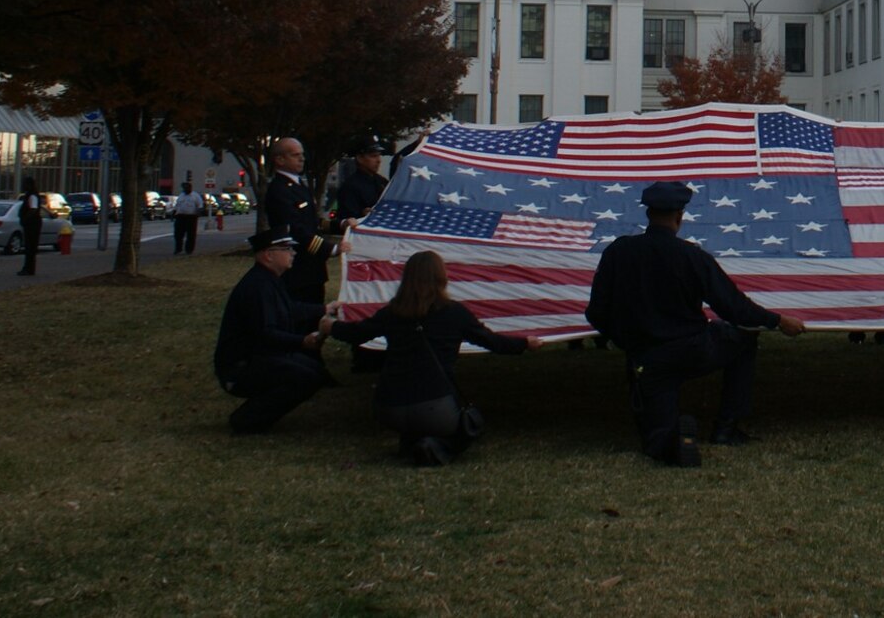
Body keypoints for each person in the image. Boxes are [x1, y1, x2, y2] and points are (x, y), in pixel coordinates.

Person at [584, 181, 807, 467]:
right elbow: (733, 307)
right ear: (679, 216)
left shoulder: (618, 252)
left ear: (648, 214)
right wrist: (777, 321)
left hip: (647, 358)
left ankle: (669, 440)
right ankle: (726, 428)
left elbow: (597, 312)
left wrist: (627, 342)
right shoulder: (692, 257)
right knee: (742, 340)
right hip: (692, 349)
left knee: (656, 433)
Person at [325, 250, 545, 465]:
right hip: (435, 408)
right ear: (442, 277)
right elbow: (493, 342)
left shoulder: (391, 313)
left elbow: (355, 333)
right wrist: (525, 343)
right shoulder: (455, 313)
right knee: (471, 426)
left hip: (388, 407)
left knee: (414, 419)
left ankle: (412, 441)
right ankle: (435, 447)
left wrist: (330, 326)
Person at [212, 230, 332, 433]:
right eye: (286, 249)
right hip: (242, 364)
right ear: (268, 255)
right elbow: (265, 334)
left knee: (316, 371)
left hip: (259, 356)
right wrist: (302, 341)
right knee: (306, 377)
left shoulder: (269, 279)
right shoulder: (257, 286)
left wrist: (324, 309)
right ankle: (247, 420)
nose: (293, 252)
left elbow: (289, 309)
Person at [262, 137, 342, 305]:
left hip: (312, 269)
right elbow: (295, 229)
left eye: (302, 154)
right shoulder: (279, 190)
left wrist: (340, 225)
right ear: (279, 159)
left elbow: (312, 221)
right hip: (297, 268)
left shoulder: (298, 186)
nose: (301, 159)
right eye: (295, 155)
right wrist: (331, 249)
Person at [334, 135, 393, 225]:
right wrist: (362, 215)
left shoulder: (382, 181)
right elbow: (346, 219)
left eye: (379, 156)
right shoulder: (350, 186)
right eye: (373, 156)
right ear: (360, 158)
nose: (378, 160)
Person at [16, 176, 43, 276]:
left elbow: (33, 209)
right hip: (32, 224)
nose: (23, 186)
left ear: (29, 185)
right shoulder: (30, 195)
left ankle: (29, 269)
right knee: (29, 247)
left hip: (33, 224)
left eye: (25, 184)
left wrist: (25, 219)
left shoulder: (32, 196)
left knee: (30, 247)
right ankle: (28, 268)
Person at [171, 180, 203, 255]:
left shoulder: (195, 196)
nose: (185, 189)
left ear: (190, 188)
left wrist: (197, 214)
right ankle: (178, 249)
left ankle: (189, 250)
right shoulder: (181, 195)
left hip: (191, 217)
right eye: (184, 188)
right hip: (180, 217)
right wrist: (173, 214)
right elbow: (177, 206)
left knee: (191, 235)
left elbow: (200, 206)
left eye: (187, 188)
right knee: (178, 235)